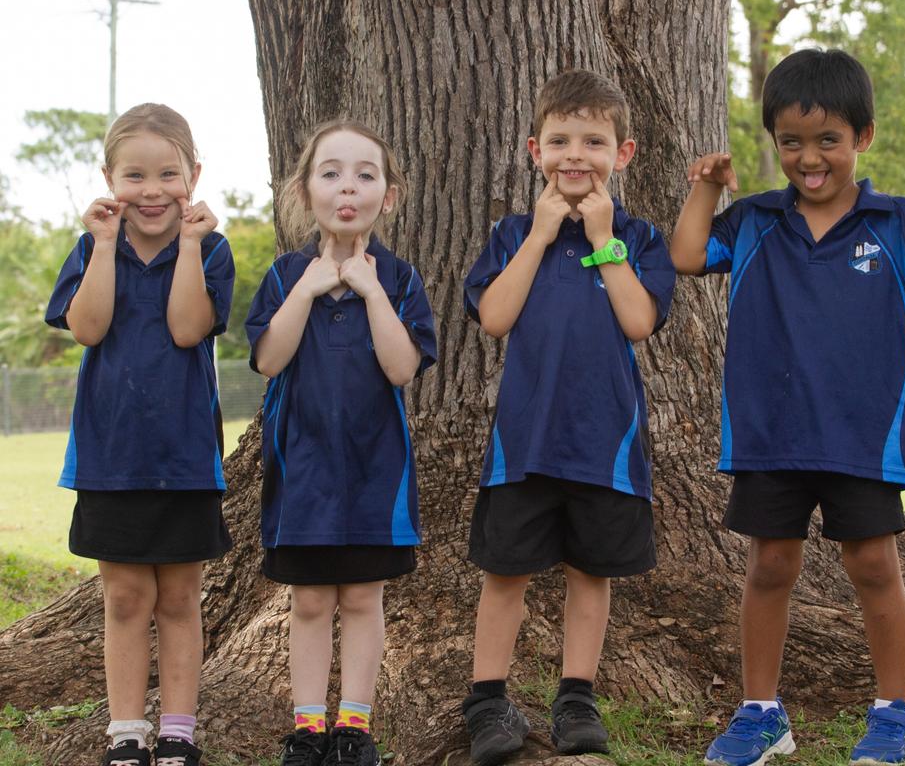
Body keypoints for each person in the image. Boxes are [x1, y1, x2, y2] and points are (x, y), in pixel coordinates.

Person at [670, 48, 905, 766]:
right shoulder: (754, 221)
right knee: (770, 566)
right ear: (775, 143)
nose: (810, 159)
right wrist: (706, 190)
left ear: (862, 138)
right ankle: (759, 714)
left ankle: (895, 713)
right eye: (791, 142)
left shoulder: (898, 223)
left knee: (875, 565)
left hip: (862, 439)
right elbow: (688, 257)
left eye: (827, 141)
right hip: (769, 435)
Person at [460, 69, 676, 766]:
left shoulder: (638, 238)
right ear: (534, 150)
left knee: (592, 572)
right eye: (559, 140)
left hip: (604, 444)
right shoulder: (513, 233)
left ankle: (576, 696)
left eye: (593, 140)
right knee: (506, 573)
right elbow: (494, 316)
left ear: (624, 153)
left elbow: (639, 319)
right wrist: (542, 234)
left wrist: (605, 240)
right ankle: (487, 699)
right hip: (523, 443)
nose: (574, 154)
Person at [45, 103, 235, 766]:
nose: (151, 190)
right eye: (134, 175)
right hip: (111, 456)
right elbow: (89, 327)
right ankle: (126, 733)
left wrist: (186, 244)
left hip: (185, 458)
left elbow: (188, 328)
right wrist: (100, 246)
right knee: (126, 598)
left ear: (194, 174)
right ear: (109, 177)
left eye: (167, 173)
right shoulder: (90, 249)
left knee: (180, 597)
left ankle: (179, 732)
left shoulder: (210, 248)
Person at [245, 119, 437, 766]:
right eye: (330, 173)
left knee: (360, 597)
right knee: (309, 602)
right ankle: (308, 728)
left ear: (389, 195)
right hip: (301, 472)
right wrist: (308, 288)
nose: (346, 187)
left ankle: (353, 725)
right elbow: (270, 359)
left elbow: (400, 367)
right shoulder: (283, 276)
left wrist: (370, 289)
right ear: (305, 190)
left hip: (375, 473)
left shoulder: (401, 279)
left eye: (365, 173)